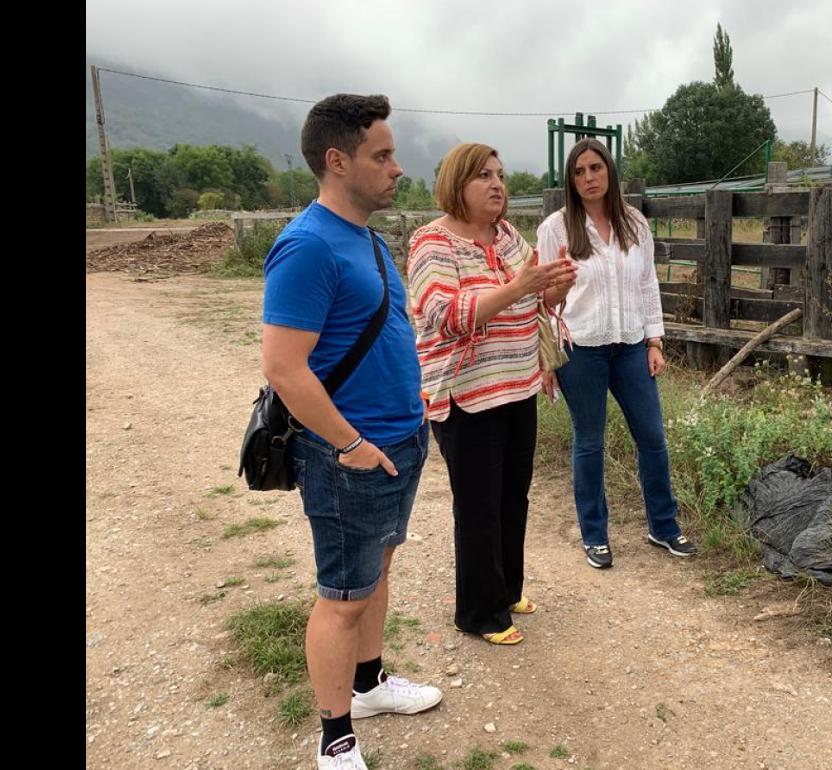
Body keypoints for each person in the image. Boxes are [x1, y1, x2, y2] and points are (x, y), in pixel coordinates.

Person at [262, 94, 442, 770]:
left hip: (399, 442)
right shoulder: (307, 245)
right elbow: (283, 365)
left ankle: (368, 685)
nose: (397, 168)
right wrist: (350, 443)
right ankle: (335, 737)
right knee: (341, 597)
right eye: (383, 155)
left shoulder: (362, 236)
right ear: (338, 161)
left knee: (375, 572)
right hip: (351, 456)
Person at [407, 142, 577, 645]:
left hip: (518, 385)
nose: (497, 185)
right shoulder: (431, 243)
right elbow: (447, 314)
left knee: (511, 497)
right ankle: (479, 612)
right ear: (456, 184)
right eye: (483, 175)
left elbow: (537, 296)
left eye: (500, 175)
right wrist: (520, 288)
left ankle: (507, 590)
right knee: (478, 506)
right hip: (467, 396)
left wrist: (558, 285)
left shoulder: (505, 235)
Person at [536, 138, 697, 570]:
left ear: (609, 171)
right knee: (589, 441)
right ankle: (595, 535)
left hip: (629, 346)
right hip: (581, 348)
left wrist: (655, 340)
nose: (588, 178)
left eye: (595, 168)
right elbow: (543, 300)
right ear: (571, 180)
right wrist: (547, 359)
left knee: (652, 437)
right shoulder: (556, 228)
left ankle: (663, 526)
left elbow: (648, 285)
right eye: (579, 171)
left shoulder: (634, 224)